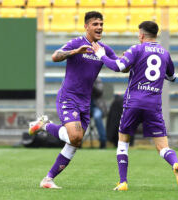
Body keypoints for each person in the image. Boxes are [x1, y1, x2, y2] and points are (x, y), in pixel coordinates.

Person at [91, 21, 178, 191]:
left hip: (133, 102)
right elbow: (172, 77)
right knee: (163, 147)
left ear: (142, 35)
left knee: (123, 141)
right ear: (155, 35)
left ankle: (123, 182)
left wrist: (100, 54)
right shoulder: (165, 53)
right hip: (154, 104)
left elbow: (118, 66)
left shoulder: (136, 49)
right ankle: (175, 164)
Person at [28, 11, 118, 189]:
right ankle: (44, 125)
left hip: (85, 102)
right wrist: (76, 51)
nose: (99, 27)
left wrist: (135, 59)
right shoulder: (77, 43)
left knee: (75, 142)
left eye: (101, 24)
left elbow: (119, 66)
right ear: (86, 26)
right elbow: (55, 57)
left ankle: (48, 180)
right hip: (68, 97)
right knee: (74, 136)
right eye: (95, 24)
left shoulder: (104, 49)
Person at [91, 77, 107, 149]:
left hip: (96, 107)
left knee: (97, 117)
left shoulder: (97, 79)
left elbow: (100, 92)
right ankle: (77, 140)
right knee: (76, 116)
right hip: (84, 107)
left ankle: (103, 141)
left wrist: (91, 83)